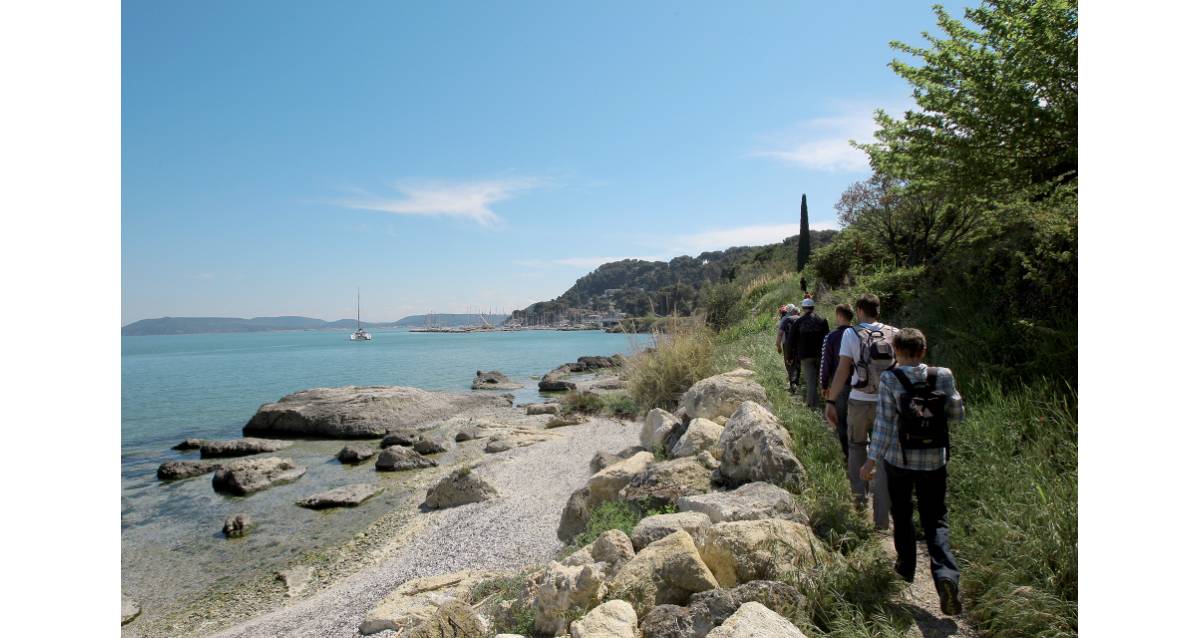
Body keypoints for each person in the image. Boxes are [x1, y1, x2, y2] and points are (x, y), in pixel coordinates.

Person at [859, 328, 964, 616]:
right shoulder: (943, 375)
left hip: (899, 460)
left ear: (896, 351)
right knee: (936, 519)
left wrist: (870, 461)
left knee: (902, 514)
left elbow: (882, 425)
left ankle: (905, 568)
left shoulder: (891, 379)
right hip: (934, 460)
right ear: (923, 350)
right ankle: (945, 576)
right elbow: (957, 414)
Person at [824, 293, 895, 530]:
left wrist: (831, 401)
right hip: (887, 402)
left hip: (858, 400)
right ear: (878, 310)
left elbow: (843, 370)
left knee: (856, 448)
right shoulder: (893, 333)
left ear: (859, 311)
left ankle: (859, 505)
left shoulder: (850, 334)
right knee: (883, 456)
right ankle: (882, 519)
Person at [820, 303, 855, 463]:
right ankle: (863, 448)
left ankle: (848, 455)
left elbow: (825, 363)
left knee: (841, 421)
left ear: (839, 316)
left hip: (839, 385)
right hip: (860, 384)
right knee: (857, 419)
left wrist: (824, 385)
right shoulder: (860, 333)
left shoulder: (832, 336)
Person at [787, 297, 828, 407]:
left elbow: (790, 340)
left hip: (805, 356)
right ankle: (822, 403)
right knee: (820, 379)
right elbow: (827, 338)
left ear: (803, 308)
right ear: (813, 307)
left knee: (811, 380)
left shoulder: (799, 321)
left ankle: (812, 406)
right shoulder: (822, 320)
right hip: (820, 354)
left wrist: (789, 356)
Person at [775, 304, 801, 392]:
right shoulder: (799, 318)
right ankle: (796, 382)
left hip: (787, 344)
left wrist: (778, 345)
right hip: (798, 344)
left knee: (789, 363)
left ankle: (792, 383)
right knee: (797, 362)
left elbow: (780, 334)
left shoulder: (785, 319)